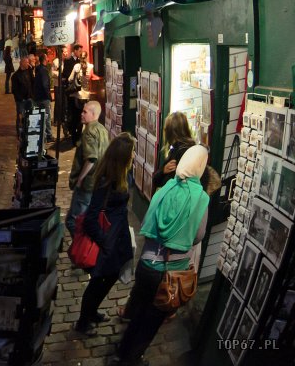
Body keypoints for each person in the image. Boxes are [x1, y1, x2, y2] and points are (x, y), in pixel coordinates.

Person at [114, 146, 210, 364]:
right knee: (151, 321)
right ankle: (131, 359)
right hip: (169, 272)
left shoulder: (166, 188)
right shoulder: (201, 198)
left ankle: (122, 350)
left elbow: (149, 220)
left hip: (146, 264)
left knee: (137, 312)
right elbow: (198, 236)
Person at [75, 132, 136, 335]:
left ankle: (92, 312)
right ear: (123, 157)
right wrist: (105, 242)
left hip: (116, 239)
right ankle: (83, 322)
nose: (134, 156)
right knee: (97, 282)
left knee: (108, 279)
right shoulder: (105, 181)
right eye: (132, 153)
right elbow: (91, 219)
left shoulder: (124, 175)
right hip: (107, 242)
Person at [66, 100, 109, 236]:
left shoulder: (89, 132)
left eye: (85, 112)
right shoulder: (102, 129)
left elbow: (91, 158)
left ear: (93, 114)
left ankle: (82, 251)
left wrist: (80, 179)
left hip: (88, 184)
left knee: (74, 221)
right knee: (88, 219)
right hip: (99, 182)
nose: (81, 114)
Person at [32, 54, 53, 140]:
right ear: (45, 59)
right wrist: (49, 95)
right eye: (47, 57)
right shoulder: (43, 70)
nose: (48, 58)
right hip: (43, 97)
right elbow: (45, 84)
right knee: (47, 116)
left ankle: (43, 135)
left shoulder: (38, 69)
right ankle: (48, 135)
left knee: (41, 116)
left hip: (37, 96)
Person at [11, 57, 35, 128]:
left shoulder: (28, 72)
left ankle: (28, 130)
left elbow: (33, 82)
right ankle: (20, 131)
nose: (28, 64)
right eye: (27, 62)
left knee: (30, 116)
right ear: (22, 63)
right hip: (21, 101)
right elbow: (14, 90)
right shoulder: (15, 76)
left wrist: (32, 95)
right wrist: (20, 99)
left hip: (29, 98)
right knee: (21, 116)